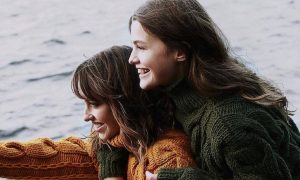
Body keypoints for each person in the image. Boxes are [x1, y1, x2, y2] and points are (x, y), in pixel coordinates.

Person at [101, 0, 300, 179]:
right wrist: (113, 174)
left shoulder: (229, 123)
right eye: (132, 47)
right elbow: (114, 124)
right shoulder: (168, 87)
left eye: (141, 47)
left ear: (179, 51)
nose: (131, 58)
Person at [0, 45, 195, 180]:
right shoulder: (118, 147)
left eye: (94, 103)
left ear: (125, 100)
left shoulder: (167, 157)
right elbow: (51, 155)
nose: (86, 116)